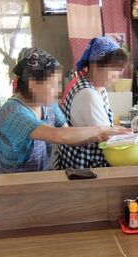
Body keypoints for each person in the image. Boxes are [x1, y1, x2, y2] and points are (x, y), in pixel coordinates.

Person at [0, 48, 127, 174]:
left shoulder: (48, 105)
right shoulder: (12, 112)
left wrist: (99, 136)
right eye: (53, 85)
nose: (58, 91)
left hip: (40, 179)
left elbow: (68, 135)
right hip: (12, 185)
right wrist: (100, 130)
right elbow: (58, 135)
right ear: (33, 84)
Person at [54, 37, 129, 170]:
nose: (119, 75)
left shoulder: (99, 88)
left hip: (87, 165)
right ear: (95, 66)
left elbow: (107, 130)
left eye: (120, 70)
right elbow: (108, 137)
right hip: (82, 169)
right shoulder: (87, 94)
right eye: (115, 69)